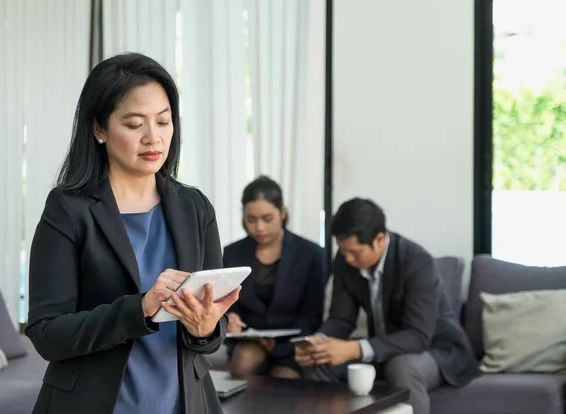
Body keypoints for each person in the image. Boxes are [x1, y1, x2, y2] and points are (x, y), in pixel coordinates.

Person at [25, 53, 239, 414]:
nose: (153, 138)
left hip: (182, 402)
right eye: (135, 124)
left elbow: (211, 333)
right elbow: (47, 333)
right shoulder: (68, 209)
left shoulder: (195, 207)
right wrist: (140, 308)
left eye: (163, 121)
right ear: (99, 129)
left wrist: (205, 328)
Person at [294, 198, 480, 414]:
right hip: (384, 350)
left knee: (402, 367)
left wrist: (355, 349)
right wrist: (320, 341)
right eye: (344, 251)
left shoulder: (417, 262)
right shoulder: (345, 259)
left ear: (379, 240)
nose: (348, 258)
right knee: (319, 362)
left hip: (436, 351)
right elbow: (341, 319)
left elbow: (418, 336)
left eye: (355, 252)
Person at [222, 176, 327, 379]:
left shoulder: (311, 254)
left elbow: (313, 314)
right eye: (251, 220)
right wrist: (230, 319)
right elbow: (229, 303)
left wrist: (283, 347)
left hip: (294, 342)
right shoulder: (233, 252)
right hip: (249, 339)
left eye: (267, 219)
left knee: (285, 379)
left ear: (283, 213)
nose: (259, 228)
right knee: (244, 360)